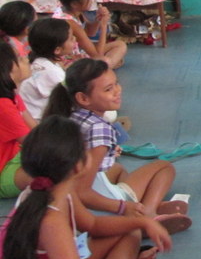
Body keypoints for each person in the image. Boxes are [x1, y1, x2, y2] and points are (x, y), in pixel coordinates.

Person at [0, 115, 172, 259]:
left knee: (130, 230)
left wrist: (145, 223)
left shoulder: (56, 189)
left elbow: (93, 224)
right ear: (78, 164)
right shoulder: (50, 221)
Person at [42, 59, 191, 233]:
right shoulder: (100, 129)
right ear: (83, 98)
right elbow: (82, 191)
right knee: (164, 167)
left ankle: (141, 207)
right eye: (108, 89)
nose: (117, 91)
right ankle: (147, 213)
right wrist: (122, 207)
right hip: (97, 207)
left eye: (116, 84)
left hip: (71, 202)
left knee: (118, 169)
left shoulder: (68, 115)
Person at [52, 0, 127, 68]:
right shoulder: (70, 23)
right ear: (74, 4)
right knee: (105, 60)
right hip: (68, 62)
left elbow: (89, 32)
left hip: (77, 52)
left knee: (120, 45)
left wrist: (98, 19)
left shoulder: (72, 10)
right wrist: (104, 26)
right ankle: (103, 68)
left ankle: (107, 65)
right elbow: (97, 55)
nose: (90, 0)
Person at [19, 17, 76, 121]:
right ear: (57, 50)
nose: (74, 39)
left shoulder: (38, 62)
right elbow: (72, 100)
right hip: (39, 123)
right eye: (71, 38)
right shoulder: (50, 72)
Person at [0, 41, 34, 198]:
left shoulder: (13, 96)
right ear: (8, 71)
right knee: (52, 172)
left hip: (14, 156)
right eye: (19, 59)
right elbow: (32, 142)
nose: (26, 59)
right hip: (3, 171)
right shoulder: (3, 105)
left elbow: (35, 128)